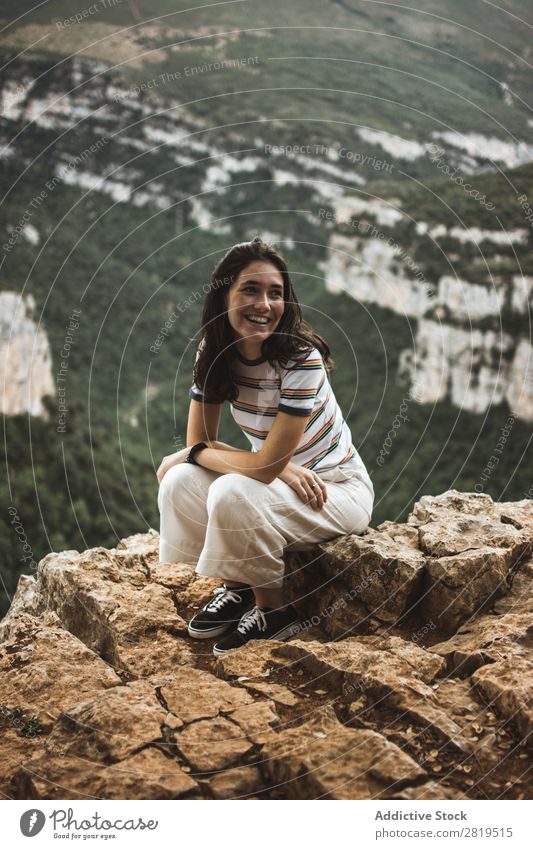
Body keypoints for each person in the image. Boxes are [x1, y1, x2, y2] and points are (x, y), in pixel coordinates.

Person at [157, 236, 374, 656]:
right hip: (283, 485)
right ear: (224, 296)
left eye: (276, 293)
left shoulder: (300, 358)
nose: (264, 304)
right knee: (181, 479)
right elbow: (205, 445)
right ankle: (237, 588)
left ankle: (274, 613)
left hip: (337, 490)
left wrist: (268, 466)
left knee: (229, 488)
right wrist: (276, 467)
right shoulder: (214, 351)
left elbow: (246, 461)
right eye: (250, 290)